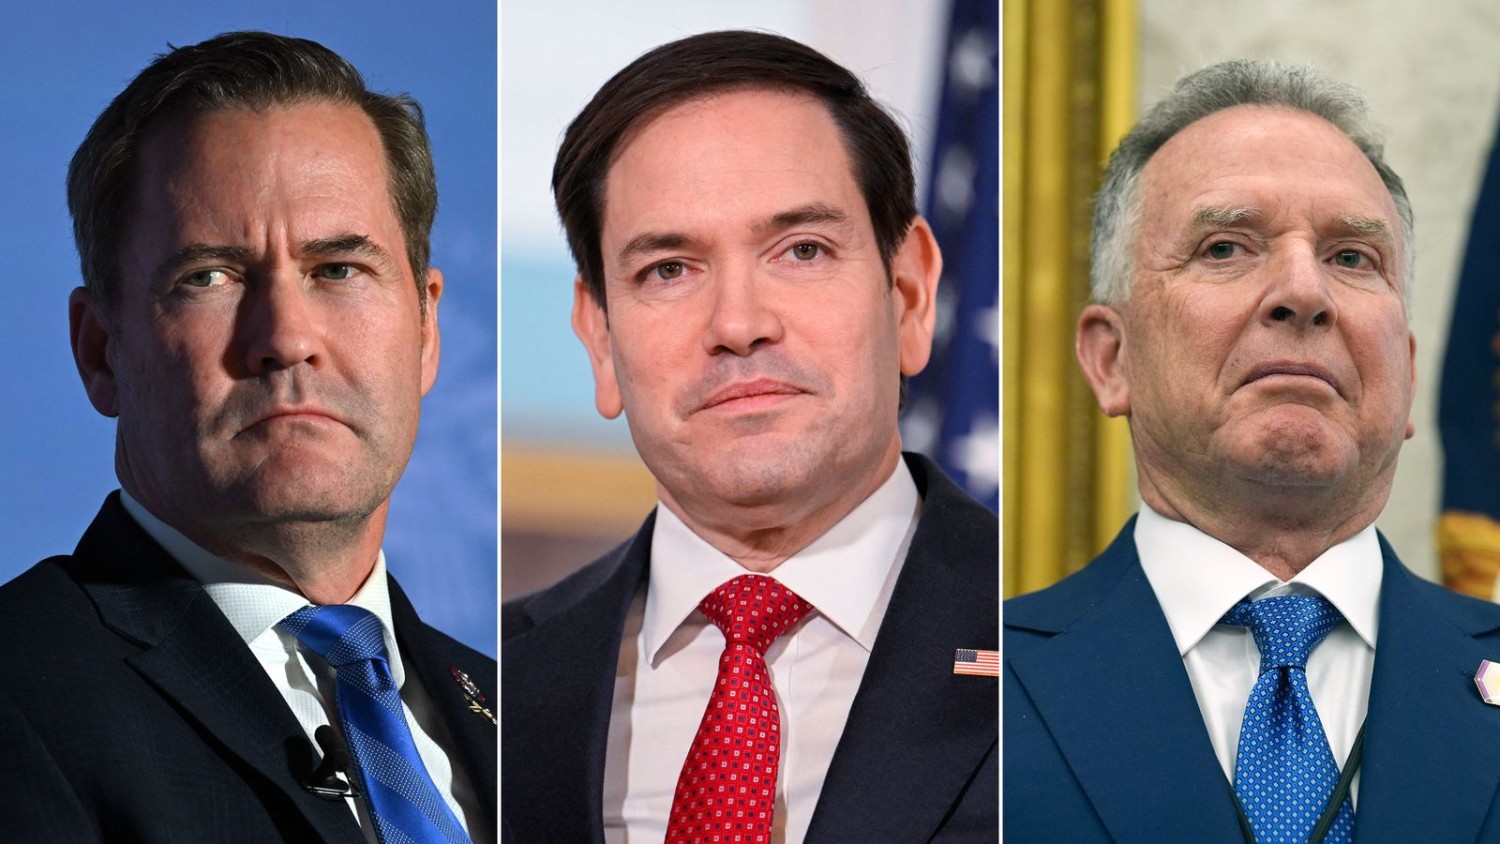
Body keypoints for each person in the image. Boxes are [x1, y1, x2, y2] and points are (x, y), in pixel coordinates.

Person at [501, 30, 998, 843]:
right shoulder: (489, 692)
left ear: (908, 294)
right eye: (669, 269)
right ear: (599, 337)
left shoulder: (1062, 656)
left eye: (801, 250)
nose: (738, 325)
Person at [0, 32, 495, 843]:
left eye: (338, 268)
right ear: (101, 352)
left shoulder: (516, 710)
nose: (286, 337)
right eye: (209, 277)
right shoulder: (21, 691)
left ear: (427, 329)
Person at [1004, 59, 1500, 842]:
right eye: (1227, 247)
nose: (1304, 291)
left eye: (1351, 258)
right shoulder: (974, 695)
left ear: (1405, 370)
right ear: (1111, 359)